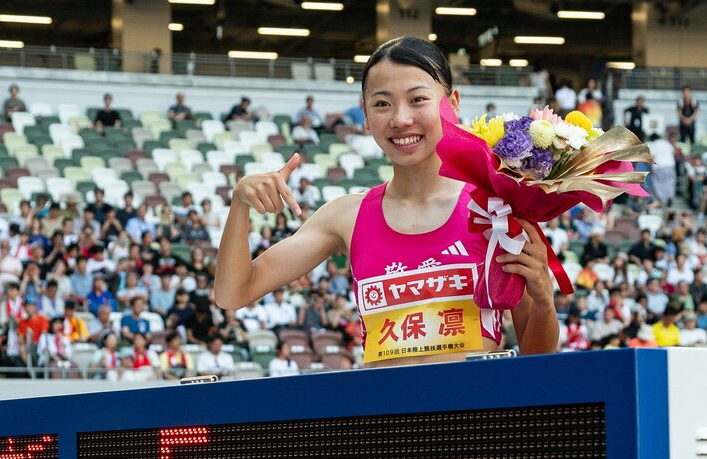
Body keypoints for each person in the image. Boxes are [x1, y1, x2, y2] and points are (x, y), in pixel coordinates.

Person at [214, 37, 557, 366]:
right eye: (382, 103)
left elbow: (536, 360)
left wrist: (543, 301)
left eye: (417, 99)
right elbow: (233, 293)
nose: (400, 118)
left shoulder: (495, 210)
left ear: (452, 103)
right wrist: (241, 203)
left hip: (472, 420)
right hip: (383, 423)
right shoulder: (345, 216)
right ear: (365, 115)